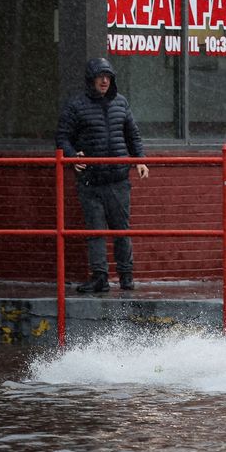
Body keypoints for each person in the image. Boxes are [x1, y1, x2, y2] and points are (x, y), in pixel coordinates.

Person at [55, 58, 149, 293]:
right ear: (91, 80)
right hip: (91, 180)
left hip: (118, 179)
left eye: (108, 76)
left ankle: (126, 276)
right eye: (100, 76)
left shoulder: (121, 103)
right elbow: (62, 137)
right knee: (95, 231)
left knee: (121, 230)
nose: (105, 80)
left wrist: (140, 161)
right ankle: (100, 278)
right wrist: (72, 155)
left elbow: (133, 135)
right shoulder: (76, 105)